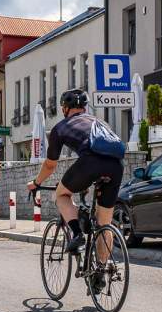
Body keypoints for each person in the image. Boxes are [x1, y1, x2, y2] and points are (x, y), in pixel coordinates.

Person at [27, 89, 124, 259]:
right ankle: (102, 271)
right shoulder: (101, 122)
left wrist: (36, 182)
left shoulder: (60, 128)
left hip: (89, 163)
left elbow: (50, 165)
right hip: (116, 166)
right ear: (84, 108)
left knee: (61, 194)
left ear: (64, 108)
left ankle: (77, 234)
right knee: (104, 223)